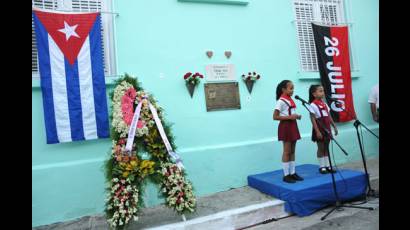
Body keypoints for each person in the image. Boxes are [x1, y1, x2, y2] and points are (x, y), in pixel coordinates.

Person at [273, 80, 303, 183]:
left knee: (293, 151)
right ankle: (286, 175)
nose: (292, 90)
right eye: (290, 88)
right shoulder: (281, 101)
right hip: (285, 126)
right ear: (283, 89)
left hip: (293, 125)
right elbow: (275, 117)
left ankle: (293, 172)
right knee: (287, 151)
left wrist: (296, 116)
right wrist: (290, 117)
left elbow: (291, 113)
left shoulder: (290, 100)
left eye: (293, 88)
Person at [308, 85, 338, 174]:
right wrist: (317, 131)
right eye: (320, 91)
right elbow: (313, 119)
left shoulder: (324, 104)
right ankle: (322, 166)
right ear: (314, 94)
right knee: (321, 147)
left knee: (327, 147)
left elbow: (329, 116)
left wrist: (334, 126)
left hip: (327, 128)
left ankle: (328, 165)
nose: (323, 93)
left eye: (323, 91)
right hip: (319, 128)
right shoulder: (312, 105)